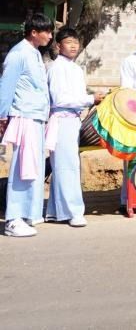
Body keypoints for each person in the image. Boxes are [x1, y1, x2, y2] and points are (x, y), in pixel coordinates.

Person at [0, 13, 53, 237]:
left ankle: (27, 213)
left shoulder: (35, 54)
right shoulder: (19, 54)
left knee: (33, 167)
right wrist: (2, 116)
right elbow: (6, 86)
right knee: (22, 167)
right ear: (34, 32)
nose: (50, 36)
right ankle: (13, 219)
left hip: (36, 117)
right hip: (24, 117)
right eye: (47, 32)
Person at [45, 27, 104, 227]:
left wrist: (90, 100)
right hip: (62, 120)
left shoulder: (75, 69)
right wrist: (89, 99)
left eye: (76, 42)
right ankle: (73, 212)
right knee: (66, 166)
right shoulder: (56, 68)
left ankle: (56, 211)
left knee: (66, 166)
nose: (73, 46)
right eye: (68, 42)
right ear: (58, 45)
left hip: (73, 120)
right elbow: (59, 99)